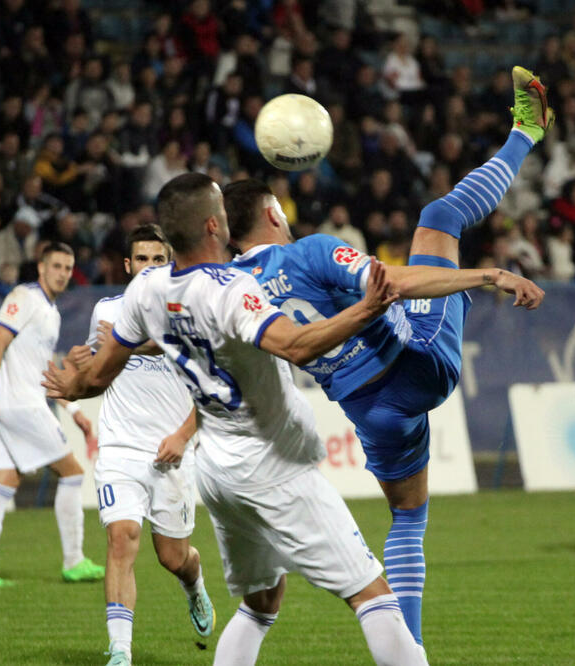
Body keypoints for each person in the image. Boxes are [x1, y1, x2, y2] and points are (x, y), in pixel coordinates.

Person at [224, 66, 551, 648]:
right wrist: (490, 274)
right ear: (275, 214)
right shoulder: (311, 252)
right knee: (440, 219)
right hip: (416, 361)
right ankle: (527, 132)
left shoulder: (226, 288)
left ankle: (413, 650)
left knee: (408, 516)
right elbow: (396, 281)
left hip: (366, 409)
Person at [43, 173, 427, 666]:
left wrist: (74, 385)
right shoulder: (231, 288)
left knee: (261, 603)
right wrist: (367, 309)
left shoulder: (146, 293)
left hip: (219, 472)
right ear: (212, 224)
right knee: (372, 594)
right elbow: (294, 344)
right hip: (272, 463)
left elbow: (98, 376)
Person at [79, 224, 215, 665]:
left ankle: (194, 586)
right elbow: (95, 371)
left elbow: (209, 387)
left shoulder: (188, 314)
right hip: (120, 447)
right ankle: (120, 650)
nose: (150, 267)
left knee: (174, 557)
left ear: (170, 262)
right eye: (143, 259)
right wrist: (76, 377)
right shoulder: (106, 310)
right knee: (123, 537)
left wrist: (183, 436)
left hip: (173, 452)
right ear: (127, 265)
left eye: (160, 260)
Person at [0, 242, 105, 588]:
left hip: (15, 405)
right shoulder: (24, 297)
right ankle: (74, 561)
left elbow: (44, 371)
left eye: (68, 268)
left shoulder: (51, 313)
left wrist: (72, 409)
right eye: (56, 266)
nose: (62, 273)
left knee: (4, 482)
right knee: (72, 473)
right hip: (21, 406)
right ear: (41, 268)